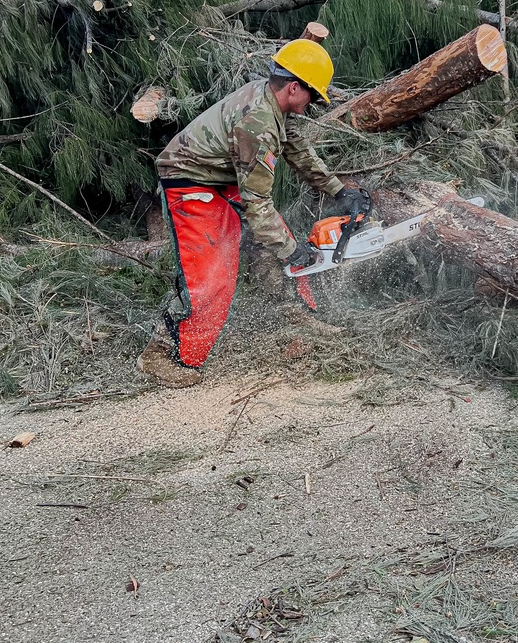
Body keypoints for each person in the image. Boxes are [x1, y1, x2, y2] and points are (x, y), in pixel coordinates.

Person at [137, 38, 369, 388]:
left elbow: (297, 149)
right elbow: (258, 205)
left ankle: (295, 315)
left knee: (274, 241)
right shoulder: (257, 122)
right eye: (313, 96)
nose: (313, 104)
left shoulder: (272, 102)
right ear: (294, 87)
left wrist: (339, 190)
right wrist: (292, 251)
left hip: (220, 176)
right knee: (212, 274)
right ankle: (160, 354)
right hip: (189, 181)